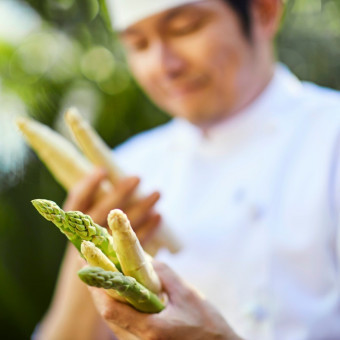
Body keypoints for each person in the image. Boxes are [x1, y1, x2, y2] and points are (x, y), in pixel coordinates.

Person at [35, 0, 340, 339]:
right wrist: (86, 251)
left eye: (185, 28)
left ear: (264, 11)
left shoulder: (331, 139)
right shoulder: (130, 166)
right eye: (138, 44)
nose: (164, 65)